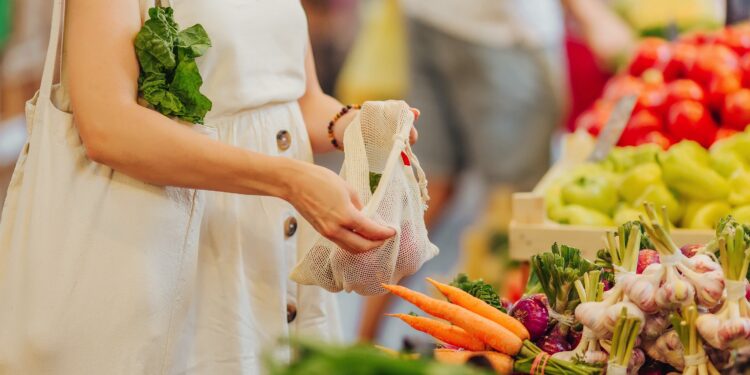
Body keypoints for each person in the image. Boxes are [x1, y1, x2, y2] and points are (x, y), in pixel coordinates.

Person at [0, 0, 416, 373]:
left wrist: (357, 124)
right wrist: (287, 180)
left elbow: (296, 103)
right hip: (163, 257)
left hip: (267, 256)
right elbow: (108, 128)